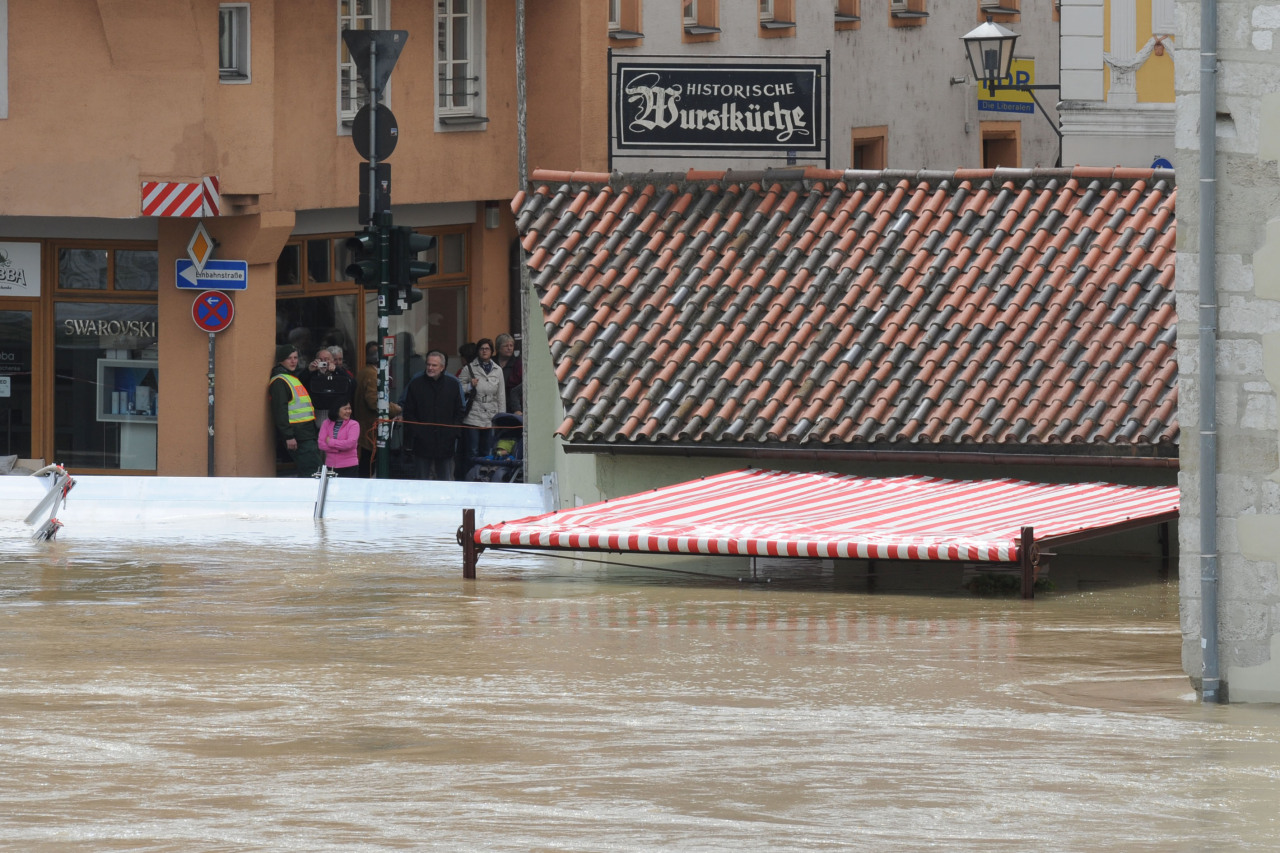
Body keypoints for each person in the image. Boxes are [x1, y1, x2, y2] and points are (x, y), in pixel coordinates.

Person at [401, 350, 466, 481]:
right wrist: (417, 432)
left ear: (442, 367)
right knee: (422, 480)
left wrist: (454, 431)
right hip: (422, 442)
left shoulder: (453, 384)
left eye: (434, 365)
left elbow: (459, 410)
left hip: (446, 441)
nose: (430, 368)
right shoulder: (416, 384)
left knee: (445, 480)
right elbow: (409, 411)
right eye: (428, 364)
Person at [268, 344, 322, 477]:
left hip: (306, 433)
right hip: (298, 435)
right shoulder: (280, 381)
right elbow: (280, 410)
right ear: (281, 360)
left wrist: (309, 371)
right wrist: (288, 436)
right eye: (289, 358)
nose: (293, 361)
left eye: (295, 357)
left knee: (311, 471)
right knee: (312, 472)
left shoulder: (291, 377)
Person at [353, 341, 402, 477]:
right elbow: (374, 402)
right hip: (371, 429)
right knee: (369, 466)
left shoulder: (364, 372)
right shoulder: (372, 375)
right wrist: (395, 408)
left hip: (366, 428)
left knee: (367, 464)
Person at [460, 337, 506, 466]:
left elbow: (501, 395)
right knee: (472, 450)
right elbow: (458, 388)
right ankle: (471, 475)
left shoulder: (498, 370)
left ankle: (485, 475)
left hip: (491, 416)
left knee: (487, 450)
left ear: (491, 351)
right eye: (481, 349)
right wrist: (469, 386)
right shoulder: (469, 368)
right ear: (477, 351)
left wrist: (501, 417)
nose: (484, 351)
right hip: (473, 415)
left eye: (487, 349)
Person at [304, 348, 353, 416]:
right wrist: (308, 370)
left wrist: (337, 370)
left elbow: (352, 384)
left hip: (336, 413)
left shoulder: (339, 373)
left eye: (327, 359)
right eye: (320, 360)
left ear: (332, 361)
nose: (324, 362)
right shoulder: (312, 374)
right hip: (317, 412)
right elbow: (301, 382)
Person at [317, 402, 360, 477]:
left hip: (349, 466)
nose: (348, 411)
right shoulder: (326, 423)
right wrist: (338, 449)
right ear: (336, 410)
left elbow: (350, 444)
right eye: (345, 409)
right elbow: (321, 444)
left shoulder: (354, 424)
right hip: (330, 466)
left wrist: (331, 442)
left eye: (349, 409)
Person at [494, 333, 523, 415]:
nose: (509, 348)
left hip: (513, 406)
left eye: (511, 345)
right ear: (498, 348)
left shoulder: (517, 363)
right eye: (506, 346)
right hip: (494, 404)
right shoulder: (492, 363)